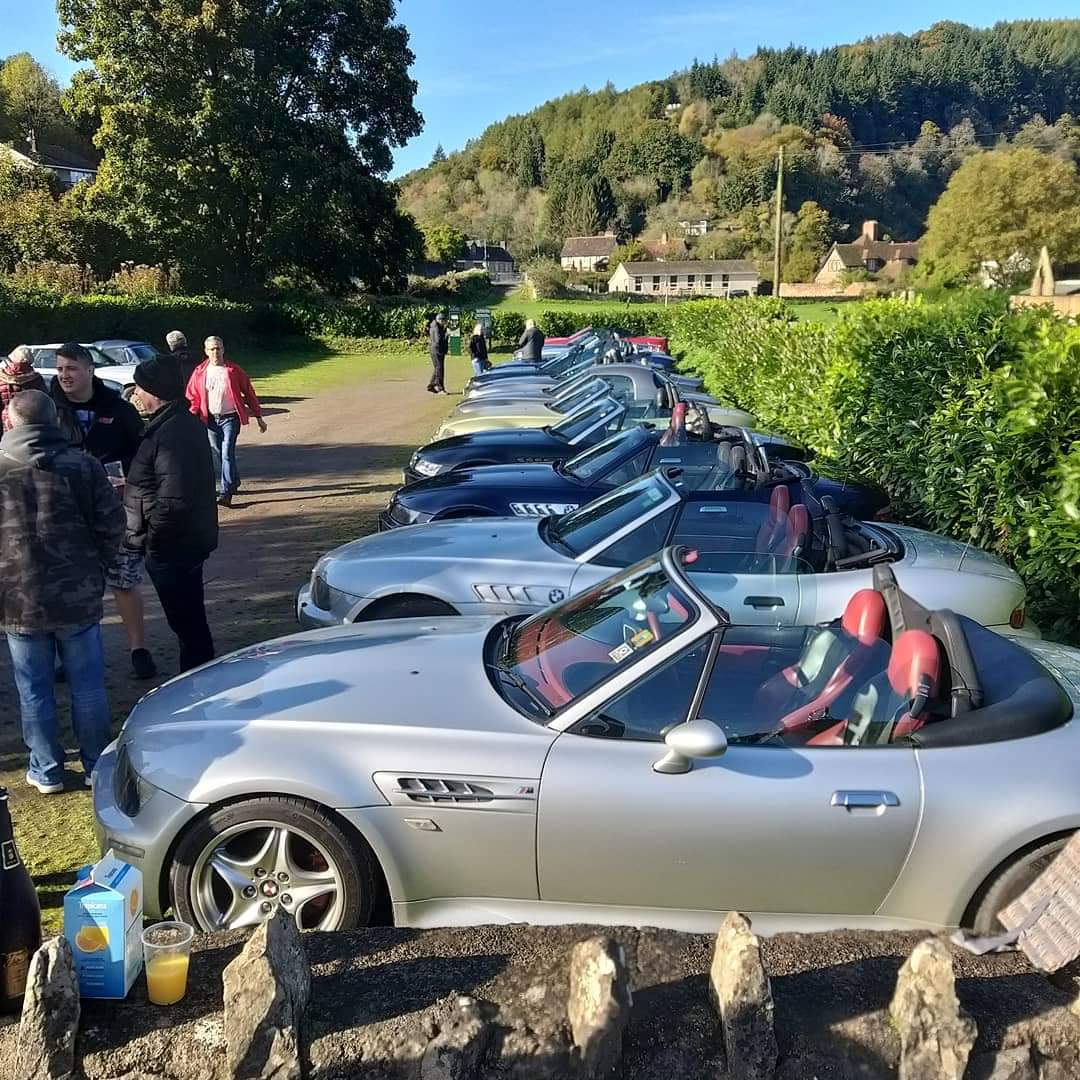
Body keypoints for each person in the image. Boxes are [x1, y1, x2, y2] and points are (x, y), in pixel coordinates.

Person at [0, 390, 123, 793]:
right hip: (77, 594)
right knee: (87, 685)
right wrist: (97, 566)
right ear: (54, 421)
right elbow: (111, 523)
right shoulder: (82, 465)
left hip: (18, 598)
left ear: (11, 421)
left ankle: (47, 768)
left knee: (33, 688)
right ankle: (95, 763)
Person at [49, 343, 156, 680]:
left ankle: (138, 649)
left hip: (115, 511)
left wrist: (124, 478)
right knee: (71, 586)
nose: (65, 375)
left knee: (123, 580)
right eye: (61, 369)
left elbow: (143, 455)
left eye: (72, 368)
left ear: (89, 370)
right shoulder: (50, 409)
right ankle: (70, 656)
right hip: (66, 514)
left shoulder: (118, 408)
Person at [127, 355, 218, 673]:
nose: (134, 394)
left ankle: (199, 684)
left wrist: (154, 543)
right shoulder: (171, 425)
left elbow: (174, 498)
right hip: (181, 542)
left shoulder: (173, 432)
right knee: (189, 623)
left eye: (138, 388)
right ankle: (199, 677)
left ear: (155, 391)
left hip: (174, 547)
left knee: (188, 625)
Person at [185, 336, 267, 508]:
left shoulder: (233, 370)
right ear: (206, 351)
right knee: (219, 453)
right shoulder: (200, 372)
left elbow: (249, 393)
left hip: (230, 418)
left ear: (223, 349)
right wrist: (192, 415)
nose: (215, 352)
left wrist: (258, 416)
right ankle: (233, 481)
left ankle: (226, 492)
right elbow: (192, 396)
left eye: (218, 348)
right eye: (212, 349)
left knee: (226, 452)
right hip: (210, 420)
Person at [0, 347, 48, 431]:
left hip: (6, 422)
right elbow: (45, 404)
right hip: (30, 423)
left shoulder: (1, 377)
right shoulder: (36, 379)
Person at [427, 312, 449, 394]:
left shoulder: (436, 326)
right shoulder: (436, 327)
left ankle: (431, 385)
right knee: (439, 369)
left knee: (437, 368)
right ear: (440, 320)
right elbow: (438, 340)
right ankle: (440, 388)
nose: (445, 323)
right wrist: (447, 334)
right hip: (437, 350)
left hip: (436, 350)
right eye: (444, 321)